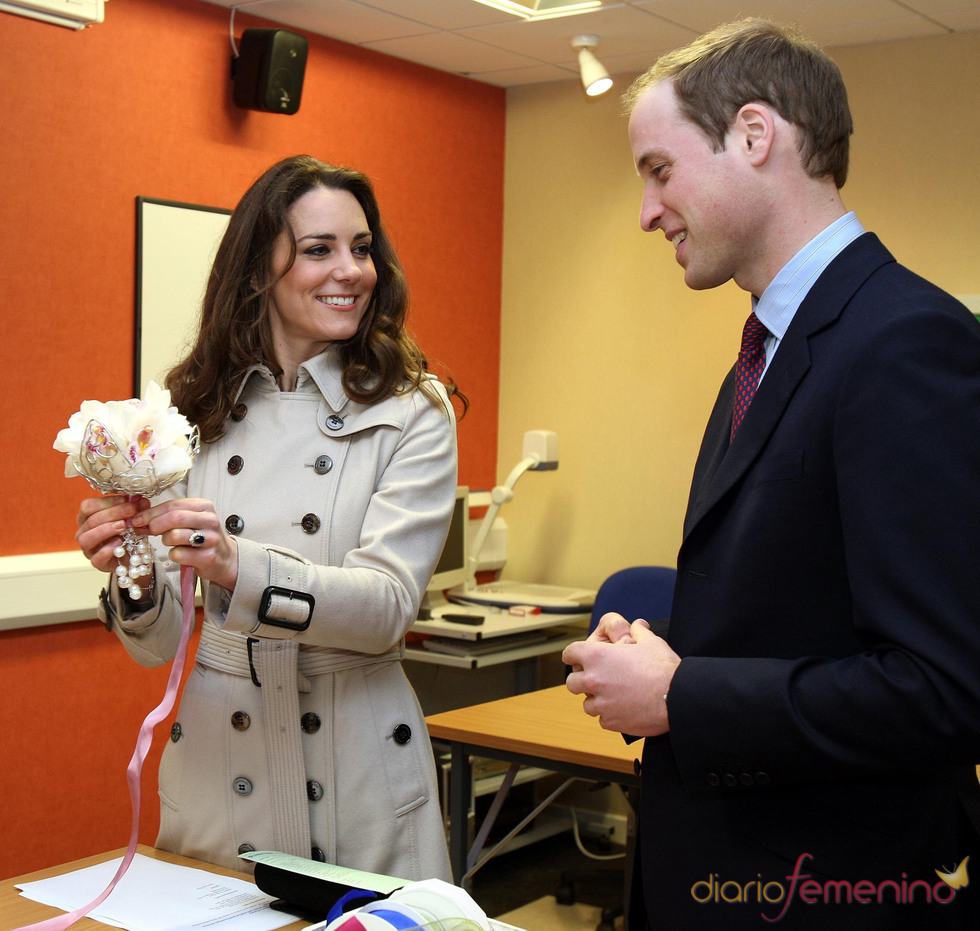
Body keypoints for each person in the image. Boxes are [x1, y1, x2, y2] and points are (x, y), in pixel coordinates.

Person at [563, 19, 980, 930]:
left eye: (658, 170)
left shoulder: (905, 342)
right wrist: (663, 647)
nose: (645, 211)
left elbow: (944, 688)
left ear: (755, 137)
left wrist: (681, 694)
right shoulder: (771, 346)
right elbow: (807, 610)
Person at [74, 155, 459, 881]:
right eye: (319, 250)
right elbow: (158, 648)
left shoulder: (413, 411)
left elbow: (384, 608)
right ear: (258, 272)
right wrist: (130, 573)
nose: (352, 269)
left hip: (356, 761)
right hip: (223, 758)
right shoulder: (191, 414)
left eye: (362, 246)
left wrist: (234, 566)